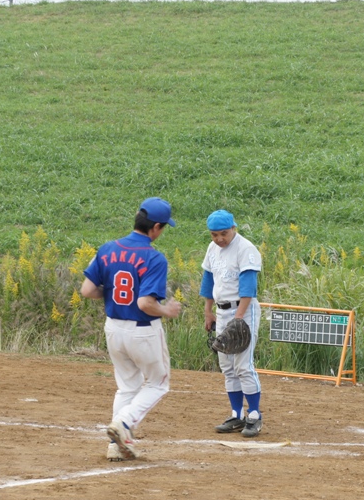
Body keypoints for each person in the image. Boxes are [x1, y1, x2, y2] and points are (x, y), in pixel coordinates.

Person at [81, 197, 183, 461]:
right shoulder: (154, 258)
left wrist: (113, 294)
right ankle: (124, 423)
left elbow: (87, 290)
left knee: (127, 386)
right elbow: (145, 303)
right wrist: (166, 310)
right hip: (142, 330)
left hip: (113, 328)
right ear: (156, 227)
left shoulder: (106, 249)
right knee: (158, 384)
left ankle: (116, 446)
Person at [200, 209, 264, 437]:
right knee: (227, 366)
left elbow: (249, 288)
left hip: (243, 311)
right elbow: (208, 279)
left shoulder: (245, 249)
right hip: (222, 310)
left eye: (224, 233)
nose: (219, 239)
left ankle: (254, 415)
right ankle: (237, 415)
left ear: (234, 229)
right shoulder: (212, 249)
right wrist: (208, 311)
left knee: (243, 366)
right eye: (214, 234)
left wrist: (239, 319)